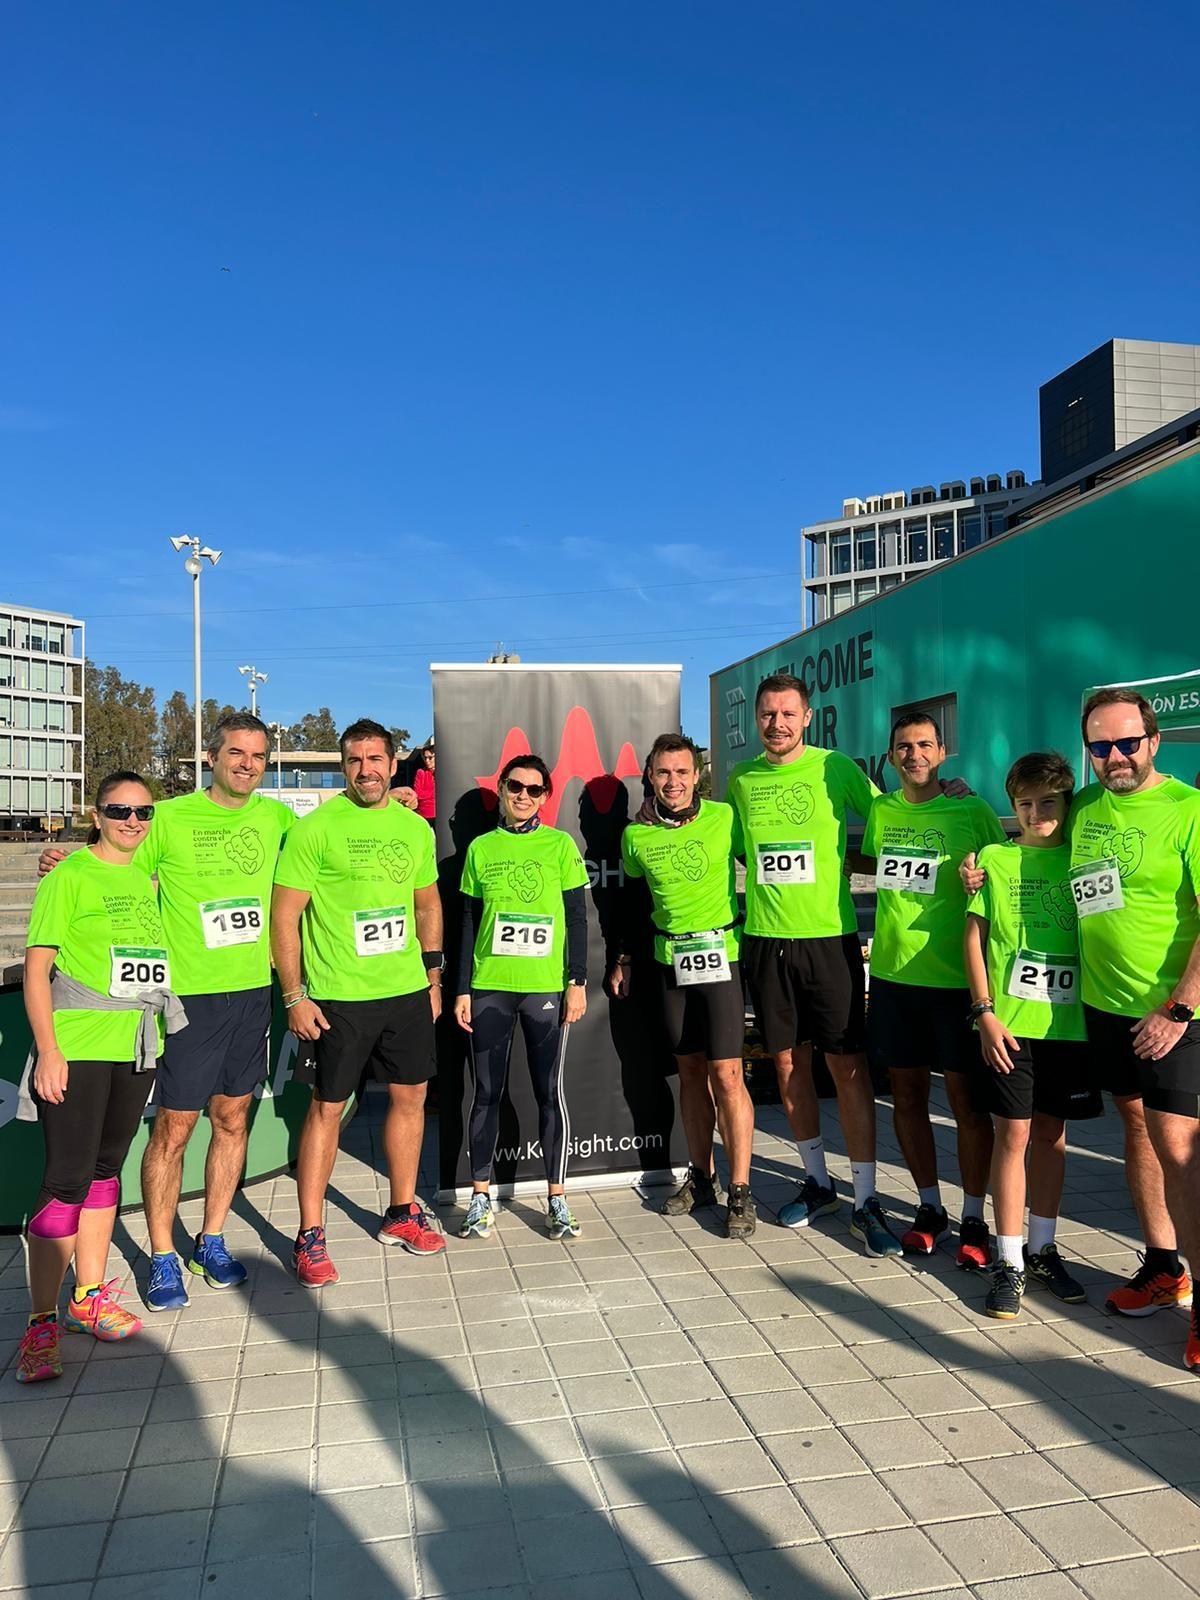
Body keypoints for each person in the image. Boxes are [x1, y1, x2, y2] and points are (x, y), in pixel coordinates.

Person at [37, 713, 293, 1314]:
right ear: (212, 756)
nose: (246, 764)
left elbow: (323, 855)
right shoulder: (169, 816)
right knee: (173, 1129)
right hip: (187, 1003)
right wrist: (66, 861)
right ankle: (160, 1254)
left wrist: (401, 798)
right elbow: (113, 854)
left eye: (257, 755)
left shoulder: (279, 818)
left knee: (233, 1120)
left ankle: (211, 1239)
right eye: (235, 753)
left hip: (252, 992)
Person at [15, 773, 186, 1382]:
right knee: (64, 1179)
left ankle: (87, 1297)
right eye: (120, 811)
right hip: (79, 1044)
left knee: (105, 1171)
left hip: (136, 1045)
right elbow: (37, 972)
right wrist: (49, 1050)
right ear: (97, 812)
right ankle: (39, 1323)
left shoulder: (147, 878)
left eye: (143, 813)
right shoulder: (69, 876)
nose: (133, 822)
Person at [272, 718, 446, 1286]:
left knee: (411, 1100)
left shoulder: (414, 829)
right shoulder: (316, 828)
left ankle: (400, 1212)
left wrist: (433, 978)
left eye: (376, 760)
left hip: (405, 993)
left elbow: (426, 907)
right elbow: (285, 917)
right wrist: (294, 995)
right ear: (343, 766)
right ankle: (310, 1234)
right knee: (327, 1109)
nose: (367, 770)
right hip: (338, 998)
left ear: (395, 765)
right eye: (355, 761)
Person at [727, 673, 893, 1254]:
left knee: (848, 1067)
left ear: (807, 717)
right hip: (766, 941)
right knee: (787, 1066)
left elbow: (889, 819)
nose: (776, 724)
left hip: (830, 939)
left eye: (787, 714)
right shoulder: (741, 780)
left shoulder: (835, 767)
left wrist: (938, 793)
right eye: (767, 715)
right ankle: (819, 1182)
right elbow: (735, 850)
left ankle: (867, 1196)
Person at [1069, 688, 1200, 1367]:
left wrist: (1178, 1008)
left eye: (1126, 743)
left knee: (1181, 1150)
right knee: (1136, 1129)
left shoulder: (1189, 810)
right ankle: (1162, 1266)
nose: (1114, 757)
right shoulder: (1086, 809)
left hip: (1174, 1015)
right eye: (1100, 746)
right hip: (1106, 1006)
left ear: (1153, 741)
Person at [861, 714, 1006, 1267]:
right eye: (904, 746)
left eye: (924, 744)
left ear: (942, 752)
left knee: (968, 1105)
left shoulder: (971, 810)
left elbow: (1001, 869)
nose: (914, 753)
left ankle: (974, 1217)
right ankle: (928, 1208)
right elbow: (879, 865)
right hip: (896, 978)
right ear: (892, 756)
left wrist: (979, 878)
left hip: (955, 983)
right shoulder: (882, 810)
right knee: (907, 1099)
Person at [963, 752, 1102, 1319]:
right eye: (1025, 804)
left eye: (1049, 803)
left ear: (1066, 804)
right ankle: (1009, 1259)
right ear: (1012, 807)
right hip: (1010, 1027)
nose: (1037, 813)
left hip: (1070, 1026)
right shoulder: (995, 858)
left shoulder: (1084, 858)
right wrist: (984, 1012)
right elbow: (974, 937)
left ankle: (1044, 1248)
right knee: (1013, 1135)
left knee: (1052, 1134)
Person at [609, 735, 757, 1240]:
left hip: (721, 957)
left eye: (682, 772)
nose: (673, 782)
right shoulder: (635, 837)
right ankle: (702, 1177)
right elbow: (631, 904)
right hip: (669, 961)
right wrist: (624, 957)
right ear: (650, 777)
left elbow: (767, 860)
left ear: (698, 776)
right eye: (662, 774)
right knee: (690, 1073)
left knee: (728, 1076)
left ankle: (740, 1190)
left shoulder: (725, 818)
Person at [454, 754, 588, 1241]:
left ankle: (557, 1200)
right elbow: (468, 922)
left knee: (548, 1093)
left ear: (546, 796)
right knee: (486, 1094)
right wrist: (463, 988)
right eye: (516, 787)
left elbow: (577, 918)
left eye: (534, 789)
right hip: (491, 988)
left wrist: (577, 981)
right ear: (503, 788)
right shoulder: (480, 849)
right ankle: (480, 1198)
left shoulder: (560, 846)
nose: (524, 796)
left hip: (543, 990)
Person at [413, 743, 436, 822]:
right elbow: (417, 793)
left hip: (440, 814)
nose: (427, 761)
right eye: (425, 758)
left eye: (430, 758)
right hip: (423, 815)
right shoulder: (421, 772)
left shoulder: (444, 773)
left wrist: (426, 794)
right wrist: (433, 793)